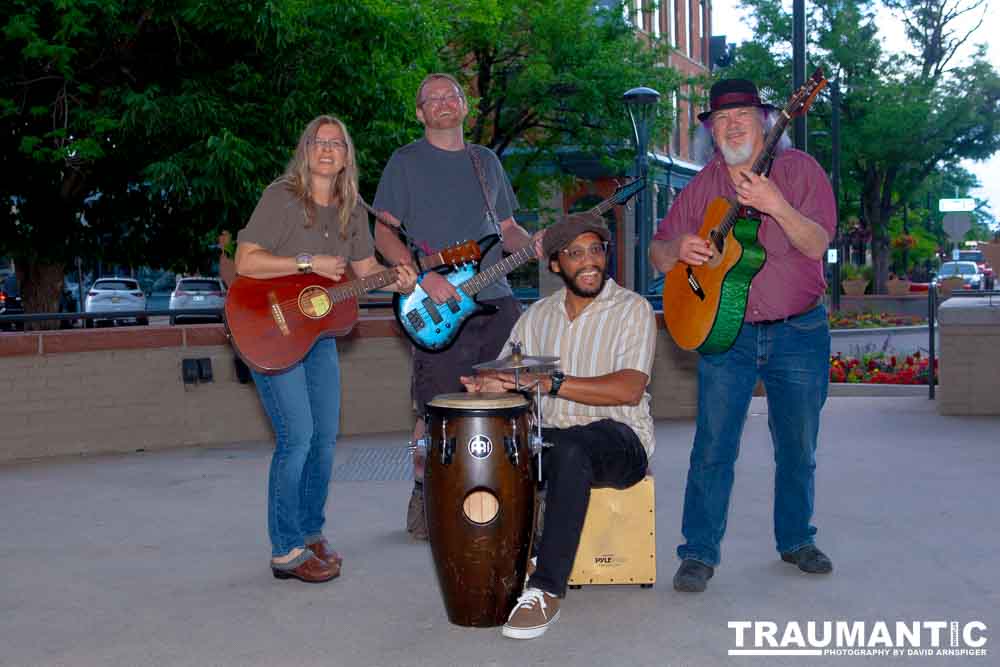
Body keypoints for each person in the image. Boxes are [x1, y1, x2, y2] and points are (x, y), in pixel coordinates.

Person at [649, 78, 836, 593]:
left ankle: (796, 538)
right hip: (724, 332)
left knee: (797, 444)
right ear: (711, 130)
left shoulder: (800, 172)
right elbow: (658, 251)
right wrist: (678, 250)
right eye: (720, 119)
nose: (731, 125)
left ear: (767, 120)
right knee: (713, 444)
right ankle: (698, 552)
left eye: (742, 115)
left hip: (797, 330)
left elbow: (817, 241)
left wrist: (775, 204)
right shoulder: (702, 184)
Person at [235, 115, 417, 583]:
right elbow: (246, 260)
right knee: (296, 438)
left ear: (346, 156)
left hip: (316, 334)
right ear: (306, 149)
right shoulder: (281, 196)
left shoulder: (352, 209)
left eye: (336, 143)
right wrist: (306, 261)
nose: (327, 149)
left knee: (323, 440)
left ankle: (310, 533)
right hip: (267, 326)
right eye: (319, 141)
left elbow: (362, 269)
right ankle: (285, 552)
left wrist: (397, 277)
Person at [461, 213, 655, 639]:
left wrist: (551, 381)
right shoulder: (537, 317)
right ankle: (506, 560)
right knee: (492, 445)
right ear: (554, 264)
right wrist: (489, 388)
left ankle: (546, 589)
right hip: (550, 437)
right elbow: (514, 379)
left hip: (620, 439)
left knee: (570, 449)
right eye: (575, 253)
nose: (589, 261)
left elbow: (628, 388)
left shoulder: (632, 309)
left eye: (596, 250)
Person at [373, 73, 541, 540]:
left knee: (517, 401)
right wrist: (424, 278)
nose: (444, 103)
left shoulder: (484, 161)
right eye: (433, 98)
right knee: (435, 411)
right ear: (421, 113)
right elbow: (383, 232)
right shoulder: (405, 162)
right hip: (437, 308)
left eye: (452, 95)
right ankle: (425, 497)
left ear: (466, 107)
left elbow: (506, 227)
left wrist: (535, 243)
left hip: (497, 300)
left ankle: (513, 496)